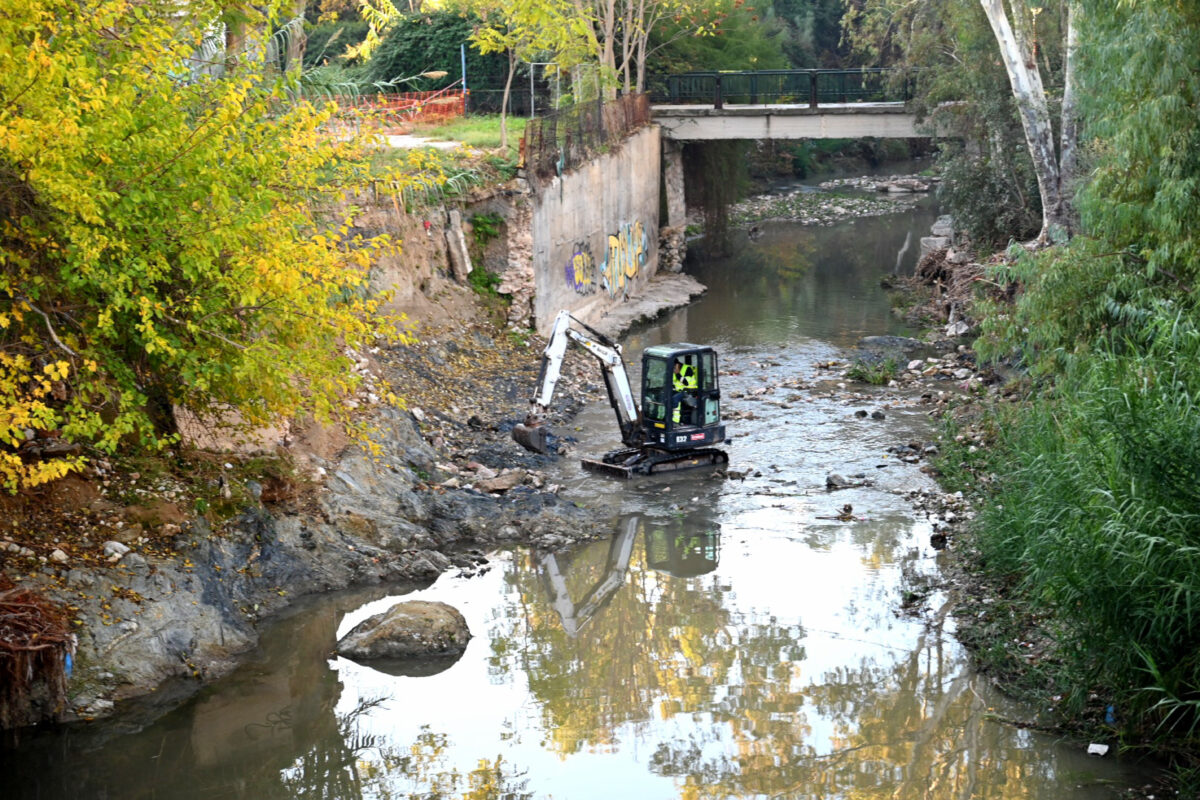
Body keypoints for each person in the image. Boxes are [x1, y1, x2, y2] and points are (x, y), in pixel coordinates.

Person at [672, 359, 698, 424]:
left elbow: (686, 383)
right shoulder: (673, 370)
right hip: (679, 391)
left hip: (689, 391)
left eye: (674, 367)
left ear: (677, 365)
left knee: (675, 399)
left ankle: (675, 421)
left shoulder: (687, 369)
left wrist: (677, 373)